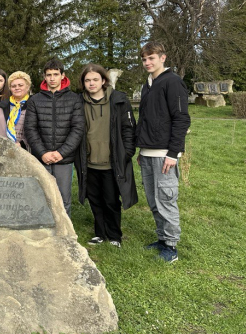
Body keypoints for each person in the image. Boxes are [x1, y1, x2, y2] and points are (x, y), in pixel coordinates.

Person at [135, 42, 191, 263]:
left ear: (163, 58)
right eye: (144, 59)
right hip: (148, 152)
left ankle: (171, 246)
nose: (147, 62)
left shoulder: (173, 82)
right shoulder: (148, 84)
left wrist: (173, 153)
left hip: (164, 155)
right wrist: (142, 149)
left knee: (166, 198)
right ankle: (161, 238)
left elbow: (181, 118)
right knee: (153, 199)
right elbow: (147, 119)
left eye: (151, 58)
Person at [76, 64, 138, 248]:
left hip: (111, 162)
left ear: (103, 80)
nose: (91, 83)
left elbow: (128, 128)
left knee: (111, 200)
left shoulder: (118, 100)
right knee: (94, 199)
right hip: (89, 161)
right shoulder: (79, 102)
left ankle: (114, 235)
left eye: (95, 79)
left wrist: (126, 152)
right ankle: (100, 233)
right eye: (87, 80)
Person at [24, 58, 84, 217]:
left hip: (64, 158)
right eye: (48, 75)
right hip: (42, 157)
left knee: (63, 199)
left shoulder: (74, 99)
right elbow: (30, 129)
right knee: (41, 197)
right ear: (44, 76)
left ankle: (65, 235)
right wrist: (43, 153)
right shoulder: (35, 100)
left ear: (62, 75)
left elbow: (77, 129)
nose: (52, 78)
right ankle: (45, 234)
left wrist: (61, 152)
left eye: (55, 74)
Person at [0, 71, 31, 149]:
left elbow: (36, 131)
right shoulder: (2, 105)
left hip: (23, 151)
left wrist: (22, 144)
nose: (17, 88)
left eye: (20, 85)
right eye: (13, 86)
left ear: (27, 86)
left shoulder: (32, 105)